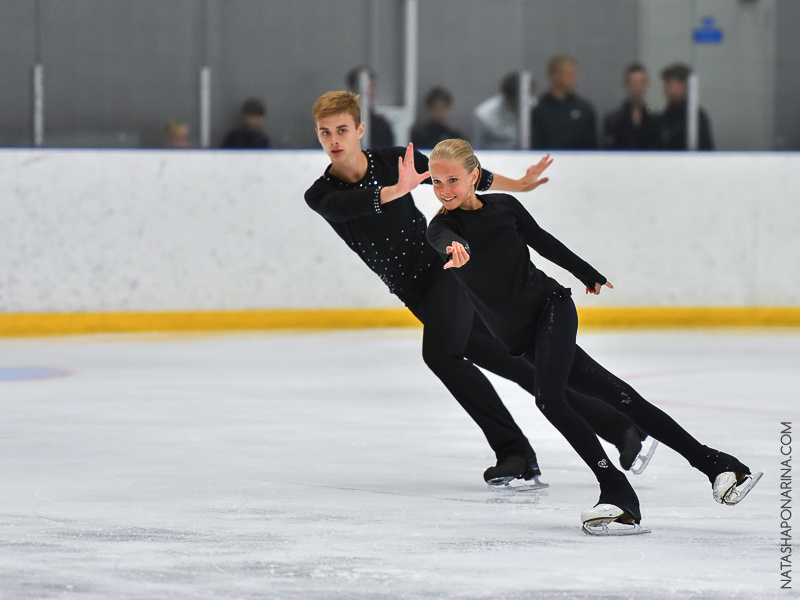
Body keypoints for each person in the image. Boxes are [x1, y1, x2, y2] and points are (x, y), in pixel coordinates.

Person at [305, 91, 649, 491]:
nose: (334, 140)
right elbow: (355, 206)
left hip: (448, 268)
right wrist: (398, 190)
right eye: (325, 132)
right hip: (415, 292)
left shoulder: (394, 161)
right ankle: (620, 428)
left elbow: (467, 177)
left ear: (360, 129)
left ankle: (513, 451)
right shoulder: (321, 194)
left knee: (440, 354)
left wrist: (518, 185)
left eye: (342, 129)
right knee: (516, 365)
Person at [425, 138, 760, 534]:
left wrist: (587, 272)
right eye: (435, 182)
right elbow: (445, 239)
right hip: (520, 338)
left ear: (474, 176)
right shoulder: (442, 227)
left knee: (550, 399)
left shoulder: (506, 207)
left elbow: (544, 242)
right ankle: (719, 466)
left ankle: (618, 494)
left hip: (552, 309)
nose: (444, 190)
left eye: (452, 180)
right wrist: (456, 247)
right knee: (621, 397)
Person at [531, 55, 597, 150]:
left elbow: (591, 144)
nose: (573, 79)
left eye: (574, 75)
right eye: (569, 75)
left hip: (579, 161)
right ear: (554, 76)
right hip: (548, 160)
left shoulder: (584, 109)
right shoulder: (538, 109)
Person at [603, 63, 660, 150]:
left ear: (647, 84)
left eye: (641, 82)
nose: (638, 88)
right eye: (634, 83)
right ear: (626, 84)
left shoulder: (654, 117)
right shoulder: (613, 118)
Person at [658, 63, 714, 150]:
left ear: (683, 85)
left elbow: (705, 151)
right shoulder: (665, 116)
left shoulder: (695, 117)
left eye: (669, 83)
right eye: (665, 84)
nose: (665, 89)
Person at [471, 71, 529, 149]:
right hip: (494, 157)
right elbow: (477, 148)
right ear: (507, 96)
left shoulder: (534, 107)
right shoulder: (484, 114)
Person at [346, 66, 395, 148]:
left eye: (371, 88)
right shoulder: (337, 123)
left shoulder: (381, 126)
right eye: (363, 89)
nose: (367, 93)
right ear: (351, 89)